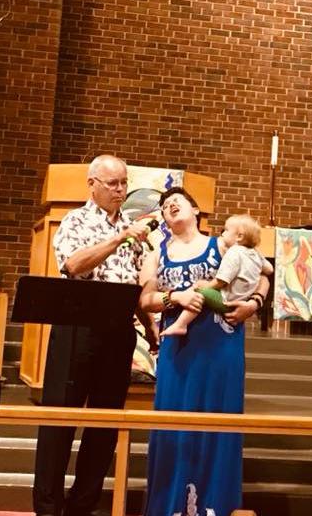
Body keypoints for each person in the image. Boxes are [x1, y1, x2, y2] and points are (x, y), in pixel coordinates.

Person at [33, 154, 155, 516]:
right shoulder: (77, 220)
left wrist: (149, 325)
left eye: (124, 183)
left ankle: (82, 505)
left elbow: (135, 282)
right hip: (78, 329)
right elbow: (72, 265)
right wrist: (118, 238)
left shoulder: (133, 225)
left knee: (104, 425)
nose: (120, 190)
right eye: (113, 184)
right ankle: (48, 507)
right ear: (93, 185)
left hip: (118, 332)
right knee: (60, 422)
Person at [138, 187, 270, 516]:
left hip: (220, 346)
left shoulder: (222, 244)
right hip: (177, 350)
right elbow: (145, 301)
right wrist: (174, 299)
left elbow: (265, 272)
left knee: (218, 423)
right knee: (173, 424)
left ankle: (216, 507)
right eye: (165, 205)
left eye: (177, 201)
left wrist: (254, 303)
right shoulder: (157, 253)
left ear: (196, 211)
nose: (170, 206)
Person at [160, 213, 273, 337]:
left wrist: (204, 287)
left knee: (199, 290)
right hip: (243, 301)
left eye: (226, 230)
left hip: (228, 301)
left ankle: (181, 324)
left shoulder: (234, 252)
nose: (222, 233)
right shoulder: (256, 254)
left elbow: (222, 280)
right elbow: (269, 269)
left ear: (239, 237)